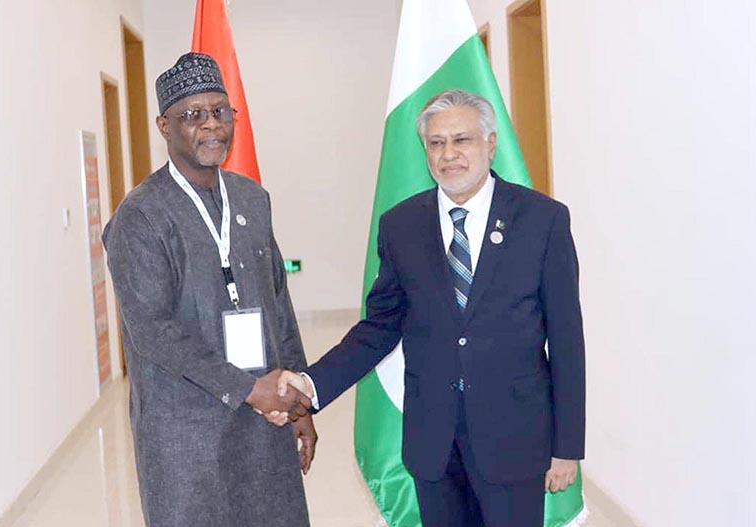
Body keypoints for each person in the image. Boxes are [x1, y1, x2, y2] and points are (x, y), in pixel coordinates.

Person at [272, 89, 585, 527]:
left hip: (515, 438)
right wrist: (311, 384)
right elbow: (379, 327)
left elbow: (567, 339)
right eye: (436, 143)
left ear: (490, 144)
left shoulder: (542, 219)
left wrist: (566, 445)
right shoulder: (401, 225)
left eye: (463, 140)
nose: (449, 154)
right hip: (434, 442)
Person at [103, 52, 315, 527]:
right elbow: (153, 333)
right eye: (193, 115)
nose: (212, 126)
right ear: (164, 125)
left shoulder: (251, 199)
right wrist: (246, 388)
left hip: (265, 421)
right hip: (186, 430)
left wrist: (300, 396)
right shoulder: (140, 217)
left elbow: (278, 301)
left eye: (221, 111)